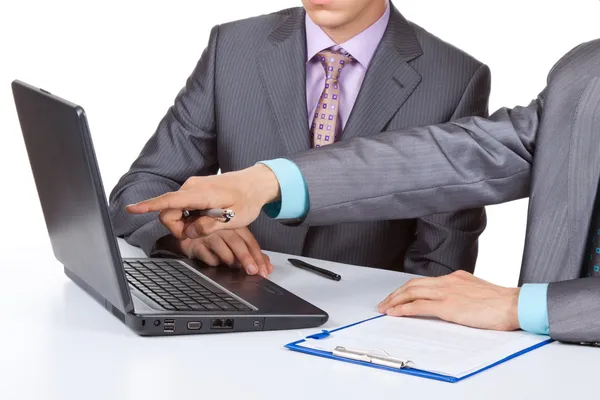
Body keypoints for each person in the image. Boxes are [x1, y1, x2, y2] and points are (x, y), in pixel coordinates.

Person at [126, 39, 600, 345]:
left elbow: (443, 243)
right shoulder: (587, 74)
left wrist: (529, 306)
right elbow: (467, 154)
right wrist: (271, 180)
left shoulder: (451, 71)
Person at [109, 0, 491, 279]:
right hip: (234, 298)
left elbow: (442, 258)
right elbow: (142, 190)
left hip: (364, 326)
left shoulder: (455, 78)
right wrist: (185, 238)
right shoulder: (233, 46)